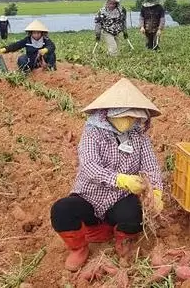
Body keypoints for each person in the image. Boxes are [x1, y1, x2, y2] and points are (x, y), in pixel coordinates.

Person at [50, 78, 164, 271]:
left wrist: (156, 192)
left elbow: (150, 166)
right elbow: (89, 166)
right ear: (109, 113)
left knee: (136, 212)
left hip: (119, 199)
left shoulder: (139, 136)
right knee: (62, 210)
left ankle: (123, 240)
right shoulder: (93, 132)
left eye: (134, 117)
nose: (130, 121)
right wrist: (120, 179)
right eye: (125, 116)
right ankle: (79, 248)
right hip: (89, 196)